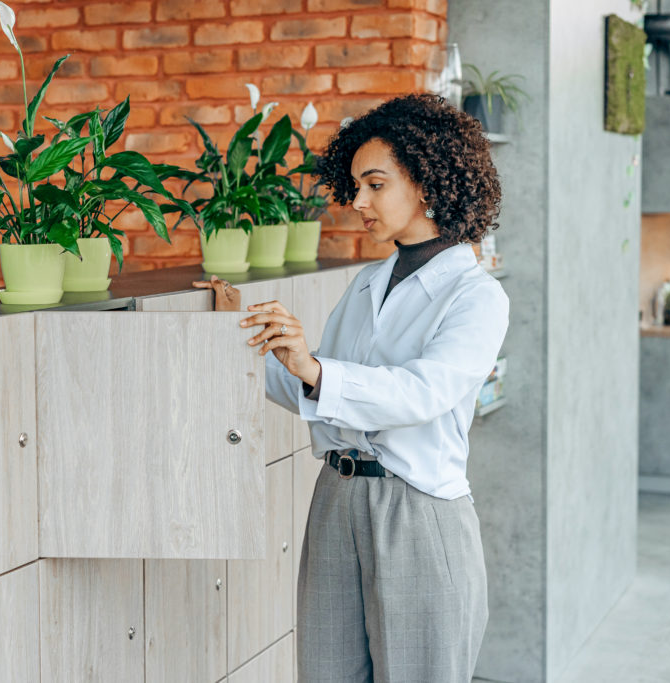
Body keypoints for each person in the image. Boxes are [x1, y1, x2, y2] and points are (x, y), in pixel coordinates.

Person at [194, 93, 508, 682]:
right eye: (356, 184)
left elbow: (420, 394)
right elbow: (318, 395)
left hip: (417, 510)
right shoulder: (369, 282)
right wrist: (232, 341)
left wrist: (313, 368)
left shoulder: (476, 296)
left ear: (427, 182)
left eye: (374, 184)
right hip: (336, 501)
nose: (357, 200)